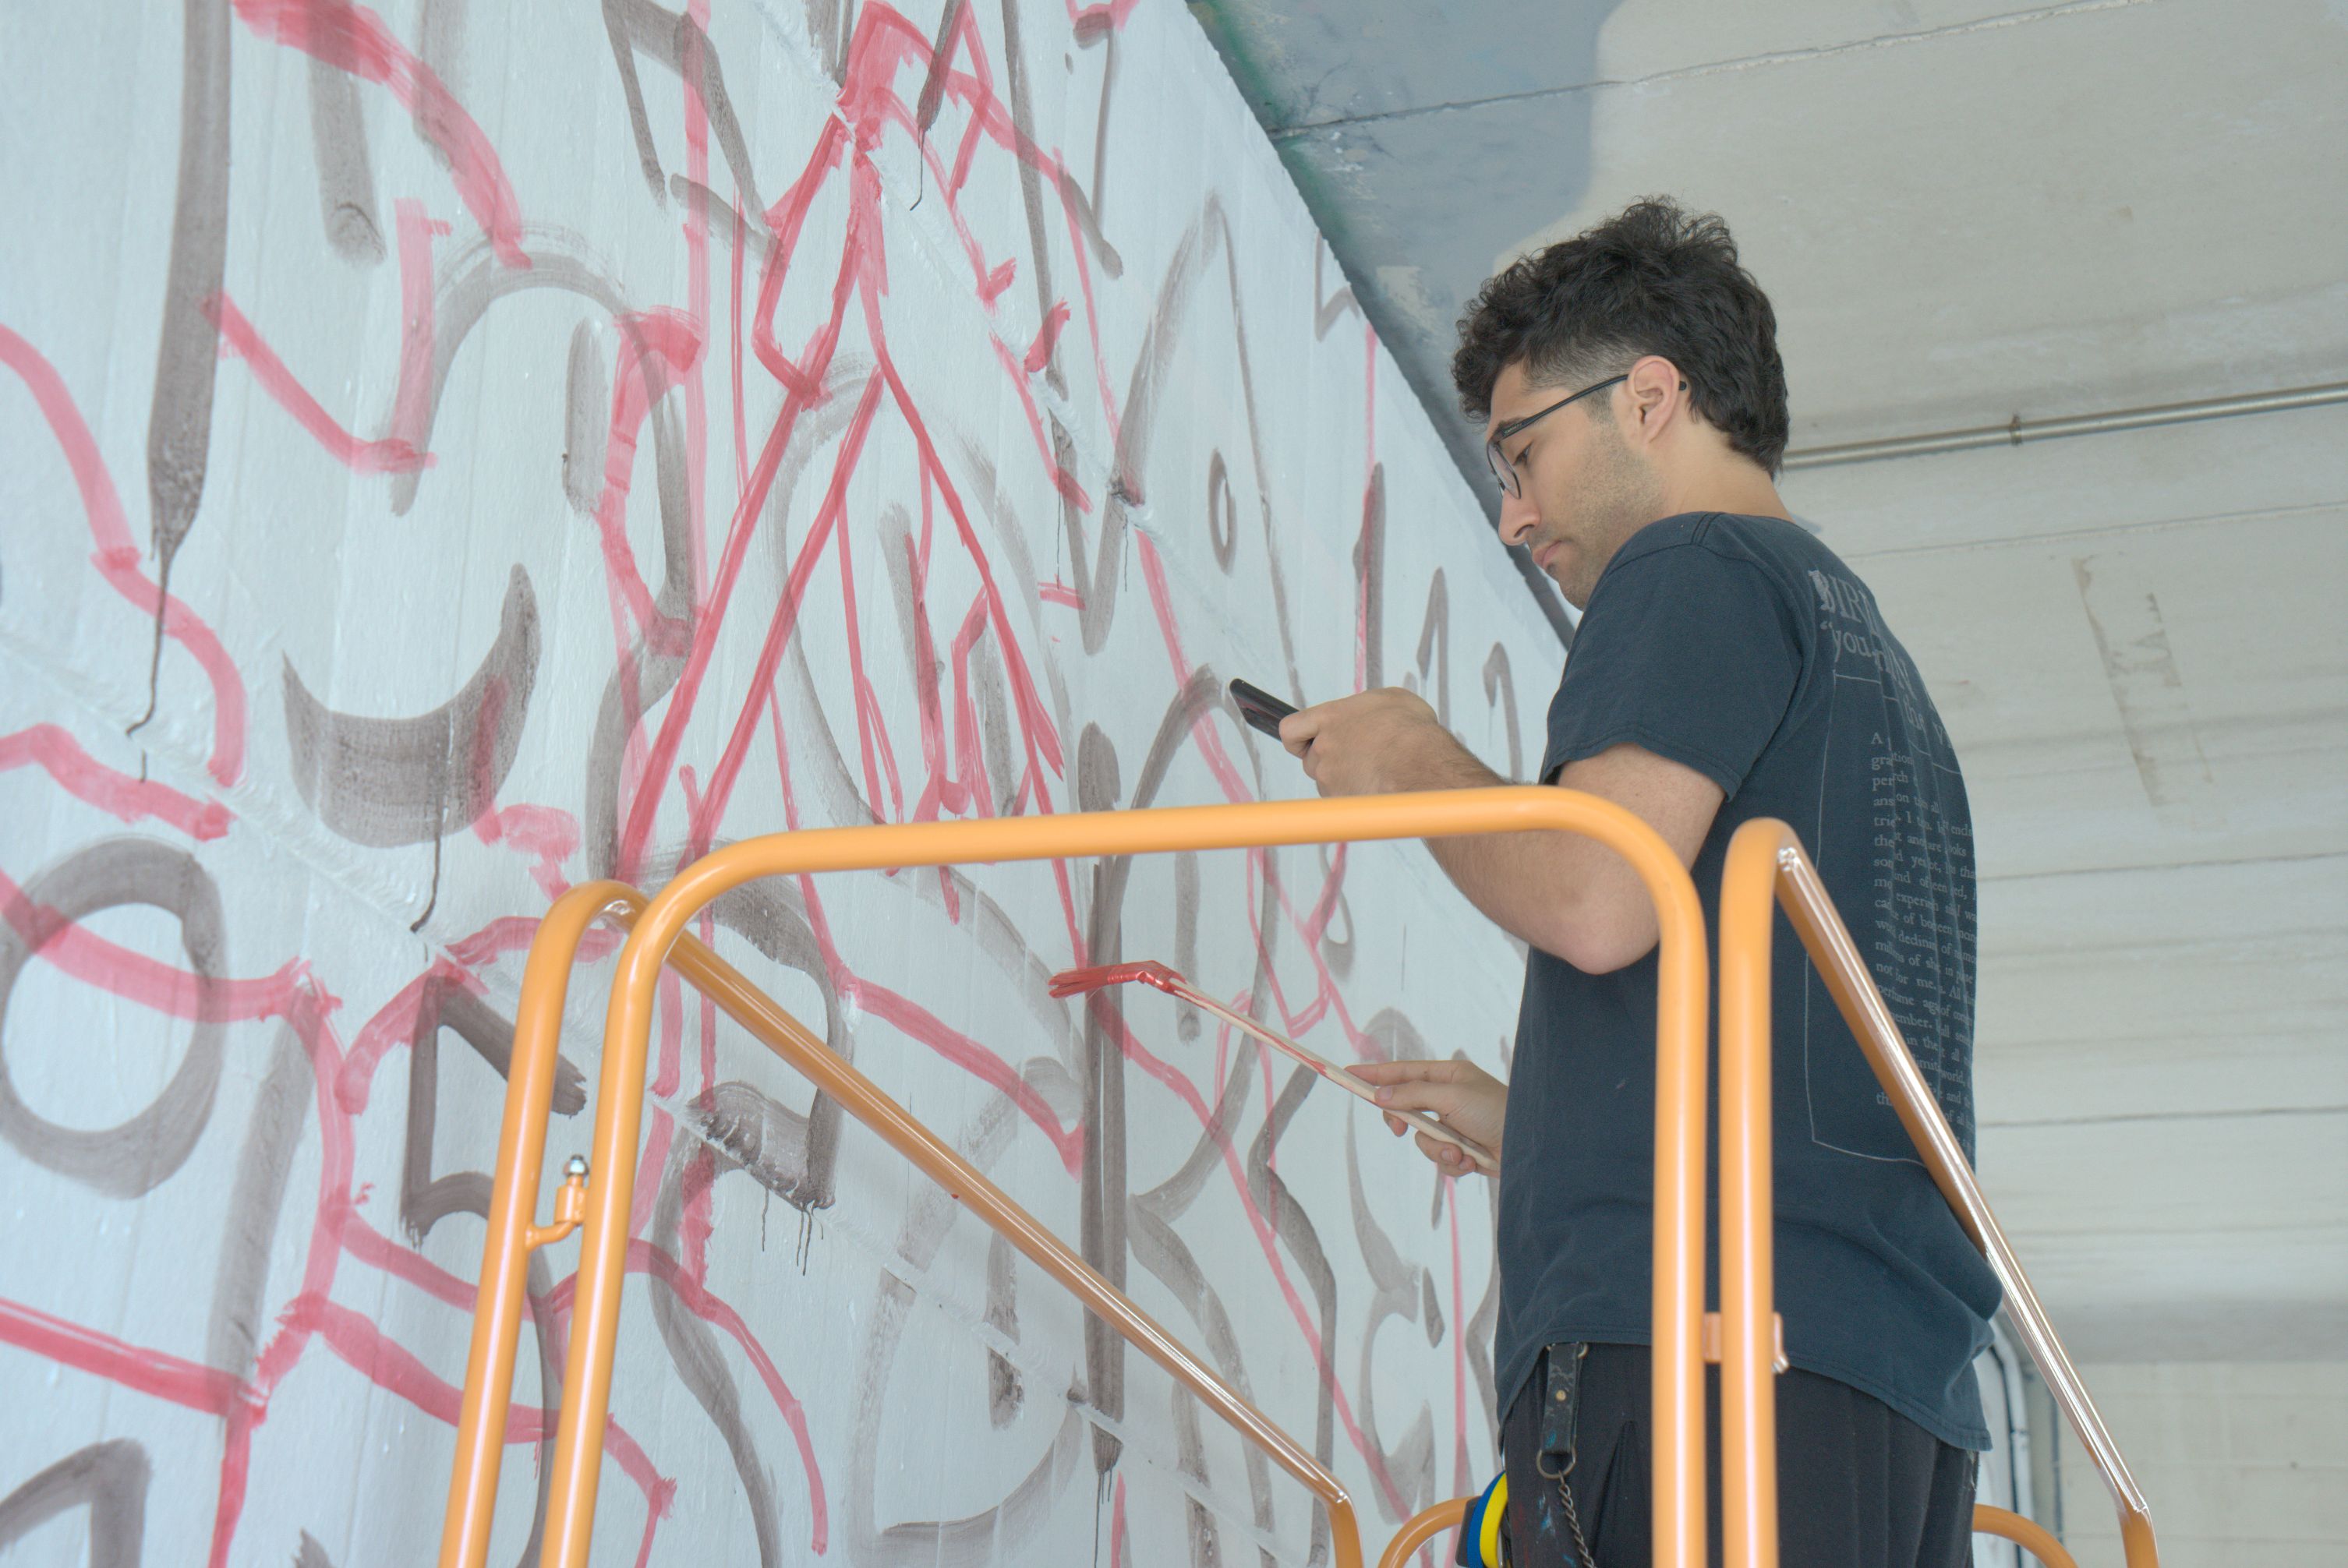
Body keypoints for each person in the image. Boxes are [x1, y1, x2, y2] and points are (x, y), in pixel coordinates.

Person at [1292, 200, 2000, 1567]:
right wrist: (1550, 1134)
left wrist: (1409, 760)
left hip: (1702, 1357)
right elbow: (1800, 1055)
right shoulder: (1869, 663)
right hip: (1879, 1386)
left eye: (1523, 452)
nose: (1514, 515)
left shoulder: (1695, 564)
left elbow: (1596, 897)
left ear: (1651, 397)